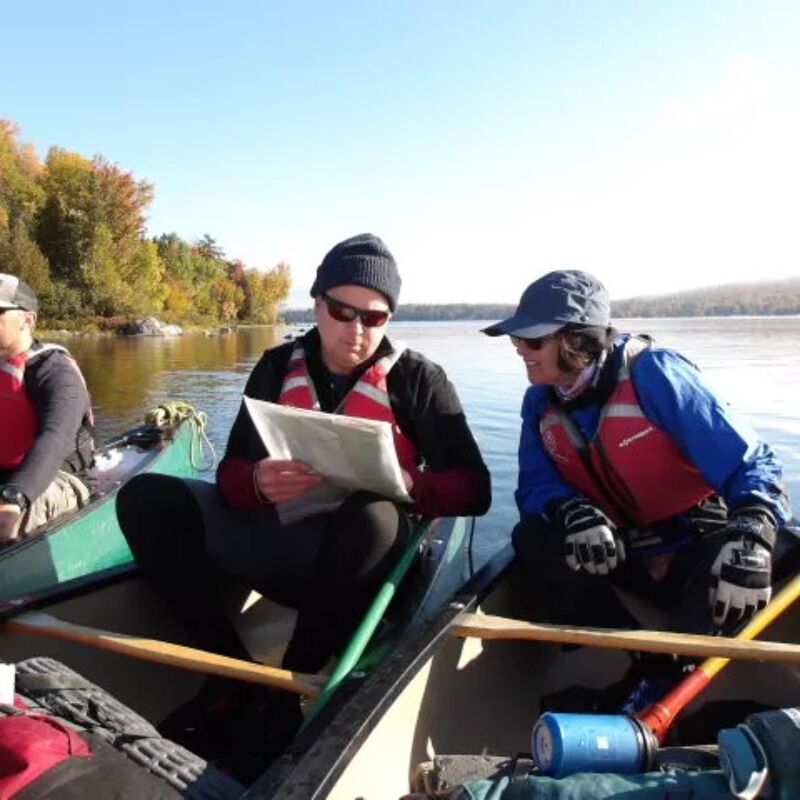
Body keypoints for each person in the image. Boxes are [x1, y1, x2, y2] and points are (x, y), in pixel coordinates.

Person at [117, 233, 491, 778]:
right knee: (145, 497)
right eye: (342, 311)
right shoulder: (275, 367)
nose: (356, 330)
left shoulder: (418, 380)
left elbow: (475, 489)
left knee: (372, 512)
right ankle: (232, 674)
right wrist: (259, 483)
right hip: (282, 548)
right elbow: (230, 475)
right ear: (316, 303)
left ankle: (289, 689)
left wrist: (409, 484)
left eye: (375, 317)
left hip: (361, 568)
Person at [483, 270, 794, 707]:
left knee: (773, 545)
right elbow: (536, 486)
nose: (519, 349)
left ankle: (669, 668)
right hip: (620, 552)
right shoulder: (539, 401)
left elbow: (755, 463)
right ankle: (639, 655)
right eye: (517, 340)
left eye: (532, 341)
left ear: (577, 339)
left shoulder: (657, 374)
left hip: (692, 546)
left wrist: (752, 534)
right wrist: (572, 510)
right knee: (532, 537)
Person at [0, 273, 95, 544]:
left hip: (58, 480)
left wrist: (13, 497)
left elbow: (56, 437)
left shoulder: (56, 371)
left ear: (28, 320)